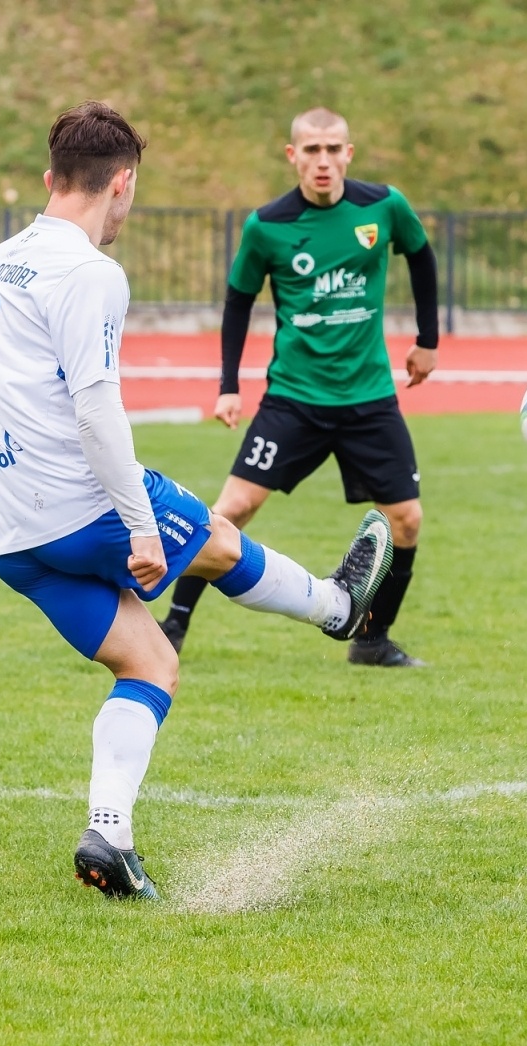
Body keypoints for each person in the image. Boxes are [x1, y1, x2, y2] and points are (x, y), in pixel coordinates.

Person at [0, 102, 393, 899]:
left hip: (6, 527)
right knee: (220, 541)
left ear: (51, 177)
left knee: (150, 660)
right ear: (121, 183)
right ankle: (336, 607)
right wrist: (137, 523)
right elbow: (95, 409)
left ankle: (109, 835)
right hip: (77, 503)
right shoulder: (91, 271)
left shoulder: (0, 260)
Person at [159, 107, 439, 668]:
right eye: (311, 150)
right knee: (232, 508)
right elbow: (239, 300)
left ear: (349, 154)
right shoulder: (267, 225)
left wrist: (427, 340)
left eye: (334, 149)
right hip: (293, 401)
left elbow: (422, 256)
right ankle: (173, 625)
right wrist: (228, 385)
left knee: (407, 519)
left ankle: (372, 640)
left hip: (368, 399)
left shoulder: (383, 207)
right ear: (293, 156)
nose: (323, 161)